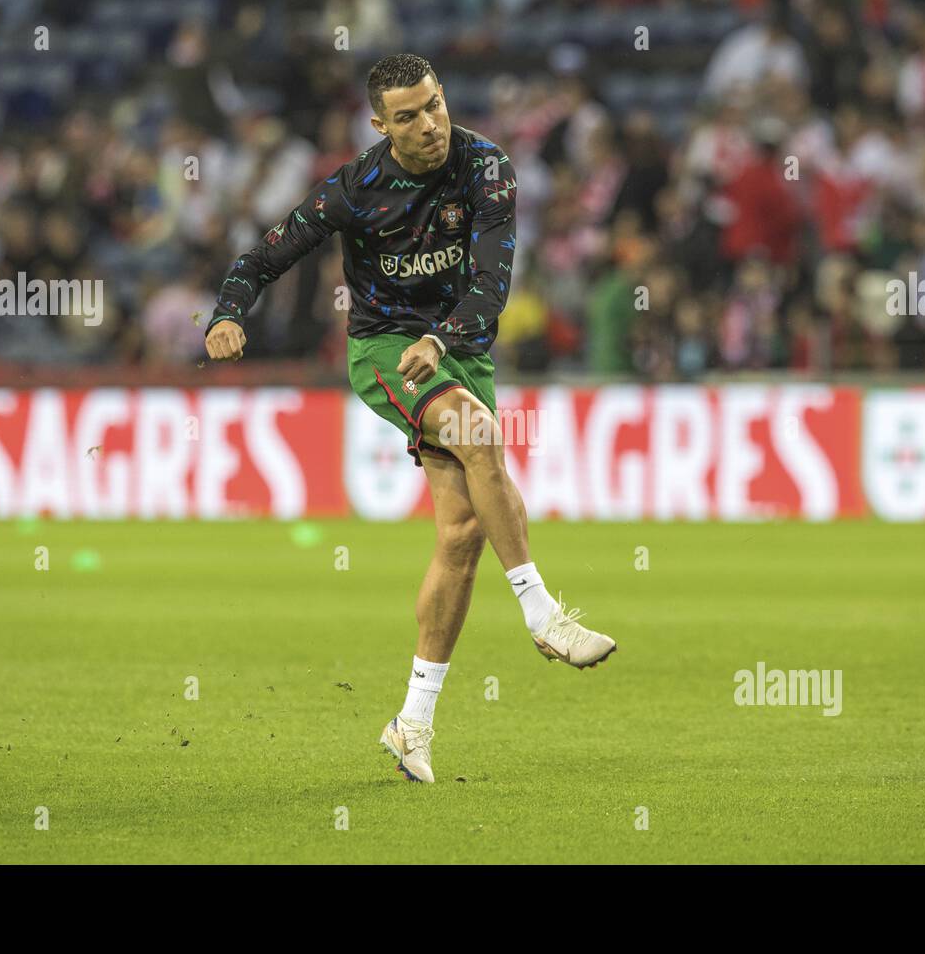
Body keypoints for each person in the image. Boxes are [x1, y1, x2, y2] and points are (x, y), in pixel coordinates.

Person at [203, 53, 616, 784]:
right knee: (479, 437)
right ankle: (543, 616)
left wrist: (444, 340)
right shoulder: (353, 189)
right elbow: (262, 258)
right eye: (408, 116)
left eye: (434, 105)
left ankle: (411, 723)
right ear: (379, 125)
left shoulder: (487, 168)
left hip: (456, 349)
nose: (429, 125)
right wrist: (228, 316)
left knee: (460, 537)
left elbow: (491, 290)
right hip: (387, 352)